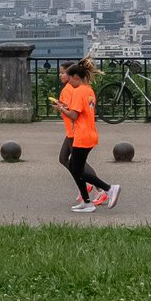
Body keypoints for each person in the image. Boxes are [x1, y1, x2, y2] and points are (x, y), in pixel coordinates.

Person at [58, 62, 119, 213]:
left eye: (70, 78)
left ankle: (108, 188)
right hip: (89, 133)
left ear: (76, 77)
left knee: (78, 170)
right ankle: (86, 202)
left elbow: (74, 115)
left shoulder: (79, 92)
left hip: (82, 135)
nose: (69, 82)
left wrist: (61, 109)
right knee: (74, 166)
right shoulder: (89, 91)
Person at [49, 59, 109, 207]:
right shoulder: (81, 89)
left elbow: (74, 112)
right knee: (67, 160)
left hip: (76, 132)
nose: (61, 76)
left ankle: (99, 188)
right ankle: (88, 188)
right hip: (75, 131)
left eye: (63, 73)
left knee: (76, 166)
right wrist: (63, 106)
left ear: (72, 75)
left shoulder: (73, 90)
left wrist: (61, 108)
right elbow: (75, 107)